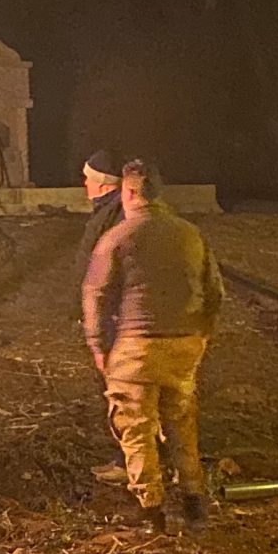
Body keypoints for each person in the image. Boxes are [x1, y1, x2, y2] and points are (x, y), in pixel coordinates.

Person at [83, 160, 224, 532]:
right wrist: (202, 333)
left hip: (136, 346)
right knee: (180, 419)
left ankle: (151, 509)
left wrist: (97, 346)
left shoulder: (117, 238)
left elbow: (95, 295)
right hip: (185, 343)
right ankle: (195, 501)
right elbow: (215, 291)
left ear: (128, 193)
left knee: (136, 426)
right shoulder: (190, 234)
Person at [76, 151, 124, 288]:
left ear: (103, 184)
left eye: (89, 178)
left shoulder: (115, 214)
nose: (85, 183)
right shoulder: (106, 208)